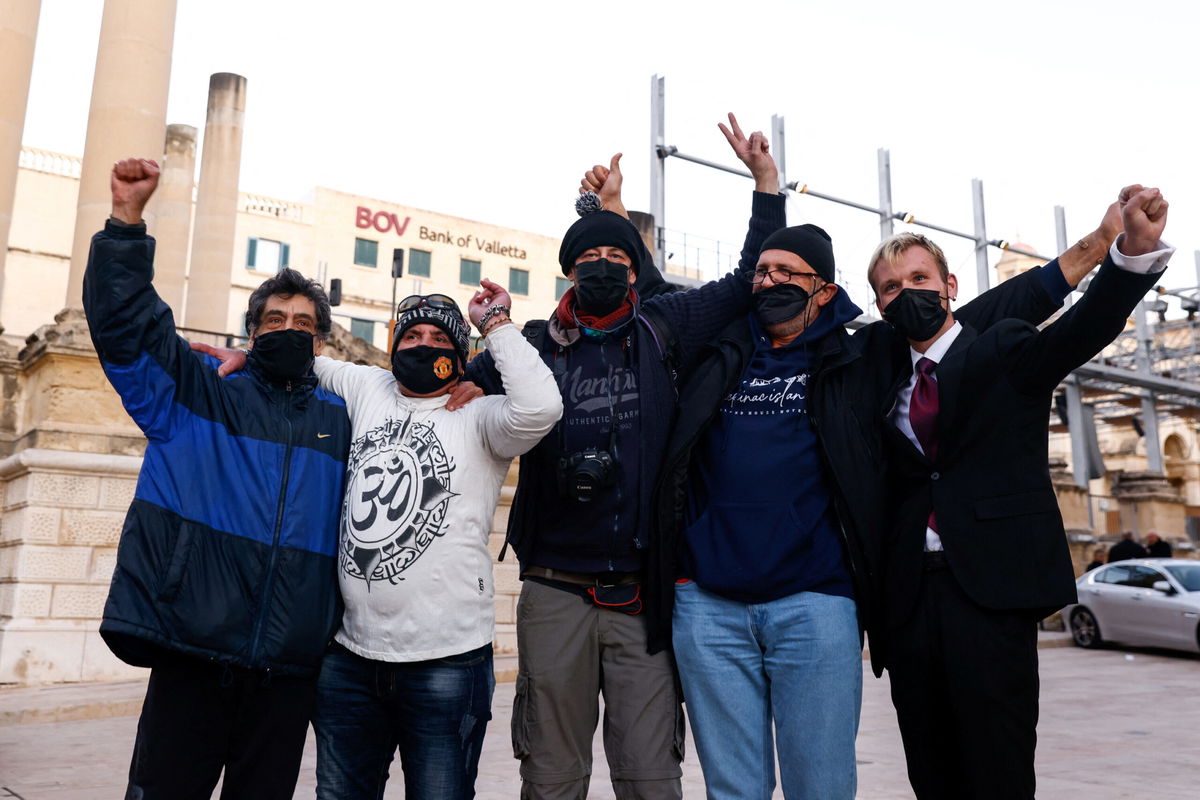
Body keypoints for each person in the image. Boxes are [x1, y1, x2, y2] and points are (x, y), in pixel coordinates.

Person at [648, 117, 1120, 800]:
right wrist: (758, 193)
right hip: (713, 603)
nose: (770, 280)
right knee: (740, 788)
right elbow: (658, 300)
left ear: (824, 290)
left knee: (831, 785)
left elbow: (984, 313)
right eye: (763, 271)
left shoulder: (860, 354)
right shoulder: (719, 349)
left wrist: (1092, 251)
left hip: (815, 601)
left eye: (790, 273)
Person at [464, 120, 786, 800]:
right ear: (570, 271)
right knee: (550, 776)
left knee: (650, 776)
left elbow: (740, 286)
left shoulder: (665, 327)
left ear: (636, 273)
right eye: (591, 257)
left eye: (619, 256)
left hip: (643, 593)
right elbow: (443, 391)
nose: (604, 264)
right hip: (553, 587)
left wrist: (765, 187)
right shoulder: (531, 345)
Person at [873, 185, 1172, 800]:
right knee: (929, 768)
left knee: (998, 766)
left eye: (918, 277)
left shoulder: (1003, 347)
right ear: (879, 305)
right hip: (907, 600)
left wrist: (1125, 257)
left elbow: (1081, 329)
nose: (907, 294)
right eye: (890, 288)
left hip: (989, 591)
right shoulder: (875, 373)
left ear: (950, 286)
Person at [84, 158, 351, 800]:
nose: (290, 331)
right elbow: (127, 328)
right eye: (276, 321)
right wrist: (126, 222)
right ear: (250, 333)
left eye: (305, 325)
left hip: (289, 671)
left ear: (322, 346)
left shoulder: (346, 420)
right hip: (191, 653)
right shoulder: (196, 392)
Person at [307, 288, 562, 799]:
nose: (424, 346)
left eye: (440, 338)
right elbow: (305, 362)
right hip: (350, 658)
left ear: (460, 356)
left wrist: (495, 323)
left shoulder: (483, 416)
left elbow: (541, 406)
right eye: (413, 335)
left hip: (446, 664)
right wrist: (247, 356)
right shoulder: (369, 386)